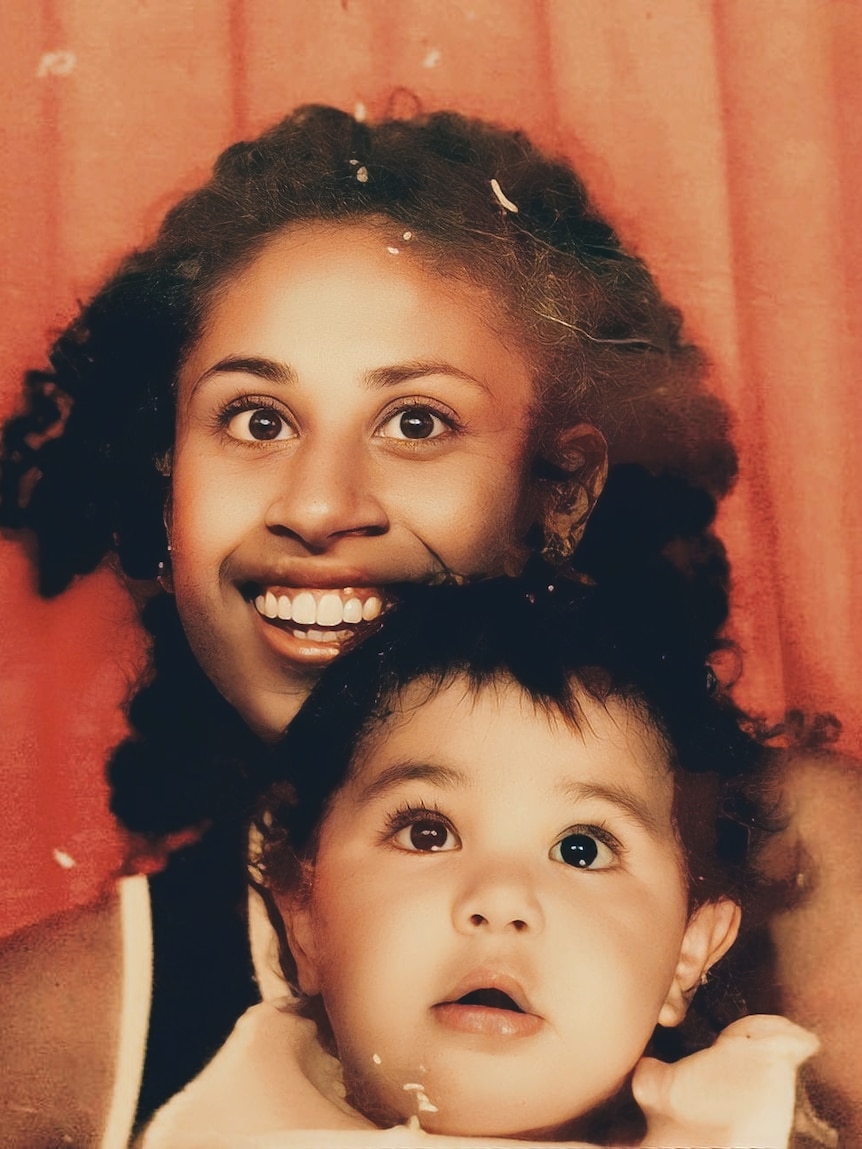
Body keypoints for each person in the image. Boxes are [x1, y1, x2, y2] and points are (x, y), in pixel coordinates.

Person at [0, 104, 737, 1147]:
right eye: (257, 420)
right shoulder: (52, 1039)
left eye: (415, 423)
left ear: (557, 493)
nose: (317, 504)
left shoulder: (806, 877)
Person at [142, 577, 821, 1148]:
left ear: (687, 951)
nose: (500, 897)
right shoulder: (227, 1122)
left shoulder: (737, 1123)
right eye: (427, 834)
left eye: (581, 848)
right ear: (302, 916)